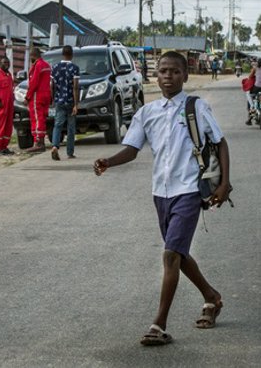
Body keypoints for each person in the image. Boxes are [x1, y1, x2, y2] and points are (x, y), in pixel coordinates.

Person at [93, 51, 230, 346]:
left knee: (170, 255)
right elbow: (132, 148)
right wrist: (110, 161)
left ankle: (159, 324)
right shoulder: (147, 113)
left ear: (185, 76)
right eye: (163, 71)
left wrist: (225, 184)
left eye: (175, 71)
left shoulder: (196, 107)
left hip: (189, 191)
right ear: (156, 76)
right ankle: (211, 297)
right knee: (177, 255)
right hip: (161, 193)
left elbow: (220, 142)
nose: (168, 76)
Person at [50, 45, 80, 161]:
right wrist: (76, 104)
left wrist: (53, 99)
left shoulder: (55, 68)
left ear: (62, 54)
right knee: (71, 128)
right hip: (70, 101)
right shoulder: (74, 68)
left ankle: (54, 146)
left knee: (58, 125)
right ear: (71, 54)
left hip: (59, 101)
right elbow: (76, 87)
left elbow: (52, 86)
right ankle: (70, 152)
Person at [25, 48, 52, 152]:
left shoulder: (37, 66)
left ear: (32, 55)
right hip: (46, 94)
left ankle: (38, 143)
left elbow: (34, 83)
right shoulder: (47, 65)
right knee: (42, 118)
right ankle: (41, 142)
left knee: (36, 118)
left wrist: (27, 97)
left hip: (37, 95)